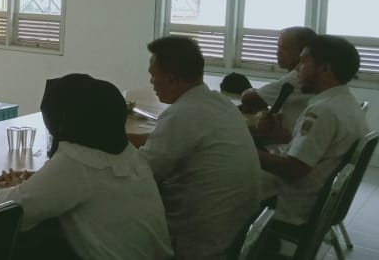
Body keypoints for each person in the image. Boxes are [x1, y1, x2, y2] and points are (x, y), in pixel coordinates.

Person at [0, 74, 173, 260]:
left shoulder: (77, 162)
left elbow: (9, 212)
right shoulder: (129, 155)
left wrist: (12, 188)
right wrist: (41, 178)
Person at [135, 36, 260, 260]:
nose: (151, 82)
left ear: (172, 79)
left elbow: (140, 173)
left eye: (153, 75)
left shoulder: (183, 114)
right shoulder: (221, 104)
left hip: (197, 242)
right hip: (236, 231)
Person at [257, 35, 368, 226]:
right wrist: (281, 136)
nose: (298, 68)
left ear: (325, 68)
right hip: (313, 199)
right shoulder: (346, 103)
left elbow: (293, 169)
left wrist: (245, 149)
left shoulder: (323, 111)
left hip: (292, 205)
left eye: (303, 61)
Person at [240, 26, 317, 132]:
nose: (278, 52)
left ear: (303, 52)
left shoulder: (297, 78)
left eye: (284, 49)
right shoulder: (309, 75)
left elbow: (249, 98)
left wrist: (250, 91)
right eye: (278, 47)